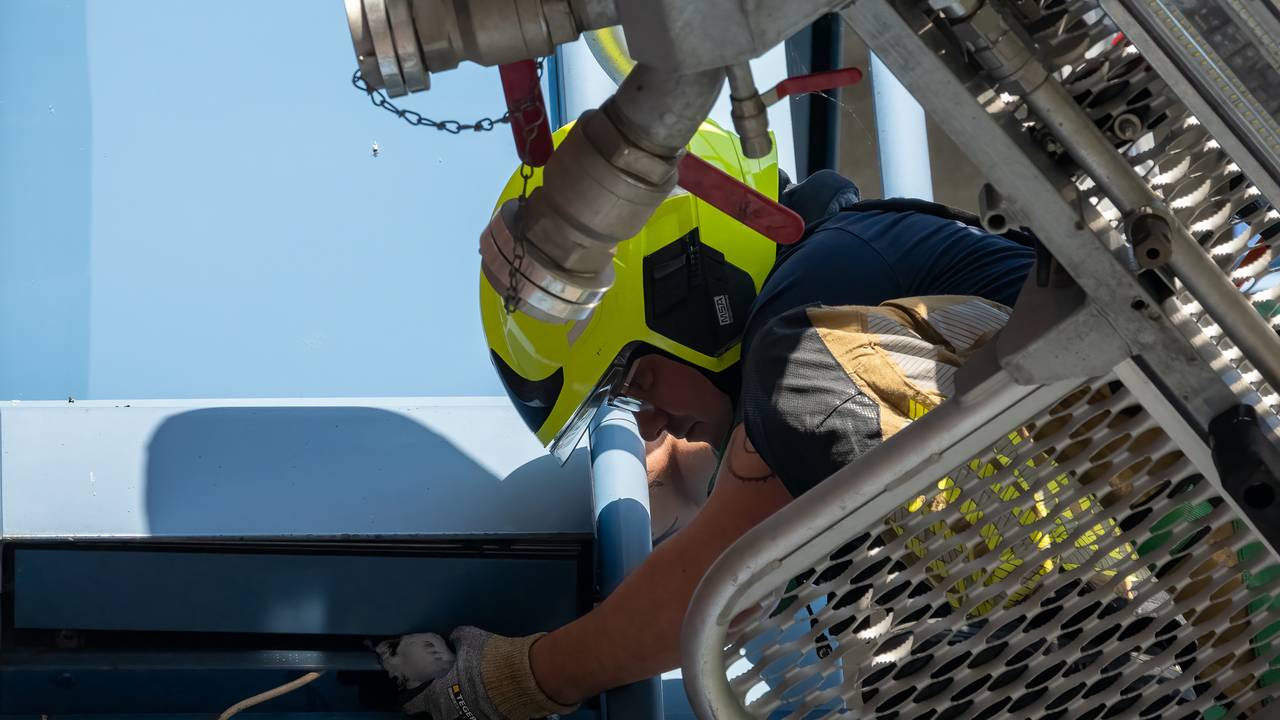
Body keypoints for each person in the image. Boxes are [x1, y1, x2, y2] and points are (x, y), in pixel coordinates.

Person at [377, 121, 1035, 718]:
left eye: (636, 382)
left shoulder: (815, 312)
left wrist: (514, 681)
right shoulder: (862, 289)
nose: (652, 423)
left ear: (692, 290)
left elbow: (723, 581)